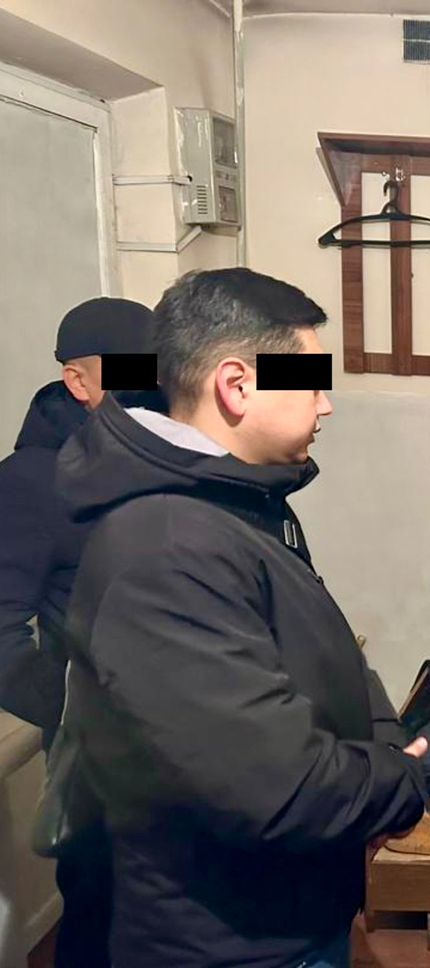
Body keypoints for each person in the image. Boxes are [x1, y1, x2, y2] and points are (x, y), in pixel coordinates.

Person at [56, 268, 430, 968]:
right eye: (312, 384)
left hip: (289, 910)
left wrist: (382, 744)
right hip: (229, 940)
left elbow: (325, 650)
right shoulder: (164, 548)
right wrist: (395, 785)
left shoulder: (243, 502)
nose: (325, 406)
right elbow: (272, 787)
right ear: (236, 385)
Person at [0, 296, 155, 967]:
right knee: (101, 921)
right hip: (96, 764)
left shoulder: (151, 457)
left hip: (180, 745)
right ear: (78, 381)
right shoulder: (33, 480)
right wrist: (70, 706)